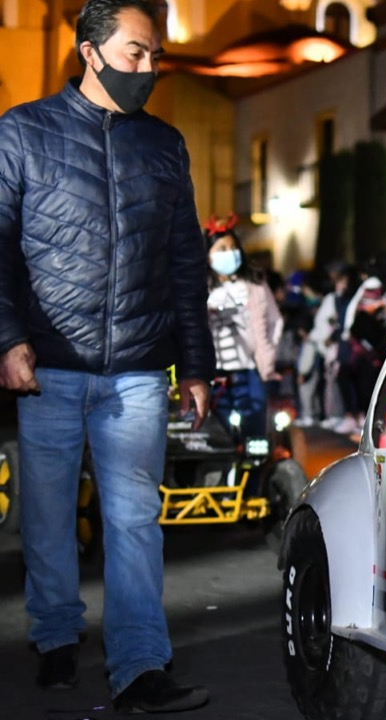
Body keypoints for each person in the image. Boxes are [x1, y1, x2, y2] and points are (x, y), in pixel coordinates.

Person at [0, 0, 212, 711]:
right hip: (47, 368)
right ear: (90, 52)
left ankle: (140, 666)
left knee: (132, 520)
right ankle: (56, 636)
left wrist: (199, 365)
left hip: (139, 370)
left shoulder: (165, 145)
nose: (148, 69)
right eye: (134, 54)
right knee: (50, 516)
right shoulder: (23, 132)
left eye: (155, 56)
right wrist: (8, 339)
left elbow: (187, 260)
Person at [206, 223, 281, 438]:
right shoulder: (201, 287)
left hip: (249, 369)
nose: (229, 254)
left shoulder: (255, 286)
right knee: (219, 427)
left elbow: (275, 321)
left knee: (255, 421)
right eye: (221, 250)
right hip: (215, 373)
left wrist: (268, 350)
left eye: (233, 248)